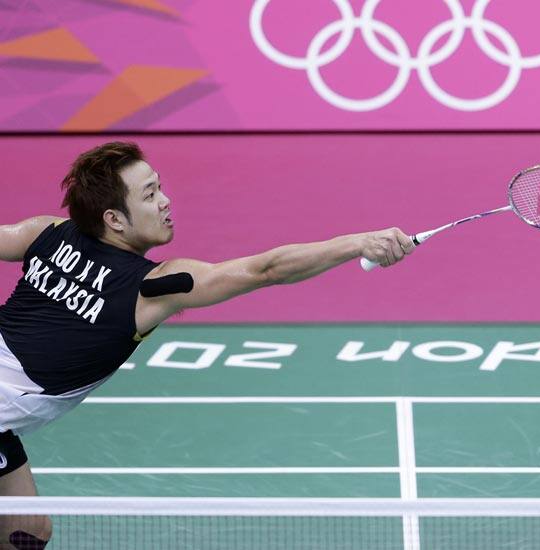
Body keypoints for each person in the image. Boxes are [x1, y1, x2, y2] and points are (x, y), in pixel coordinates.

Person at [0, 142, 415, 548]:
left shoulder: (45, 233)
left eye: (159, 187)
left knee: (28, 531)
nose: (165, 201)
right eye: (150, 195)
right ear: (115, 219)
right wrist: (357, 244)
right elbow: (264, 270)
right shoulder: (152, 287)